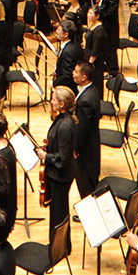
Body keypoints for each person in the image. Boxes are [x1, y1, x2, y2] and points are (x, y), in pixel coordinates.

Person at [44, 87, 78, 242]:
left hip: (61, 176)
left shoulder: (65, 125)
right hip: (59, 175)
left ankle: (60, 247)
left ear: (62, 104)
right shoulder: (61, 118)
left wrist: (46, 156)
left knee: (59, 213)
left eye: (54, 99)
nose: (51, 101)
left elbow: (62, 159)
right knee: (58, 211)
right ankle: (60, 245)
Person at [73, 61, 103, 199]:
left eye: (76, 71)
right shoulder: (92, 90)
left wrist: (75, 148)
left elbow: (82, 128)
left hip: (86, 150)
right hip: (91, 144)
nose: (73, 73)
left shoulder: (86, 100)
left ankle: (88, 214)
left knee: (85, 182)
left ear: (84, 77)